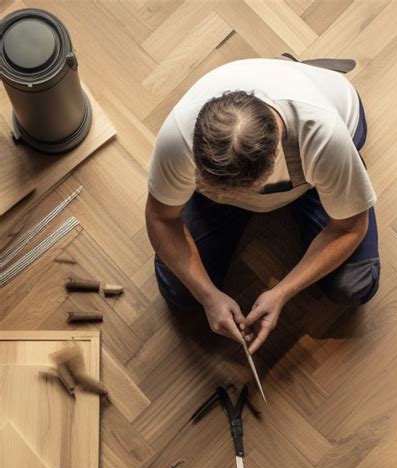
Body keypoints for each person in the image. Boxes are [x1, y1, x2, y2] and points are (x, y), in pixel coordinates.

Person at [145, 57, 380, 354]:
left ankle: (344, 176)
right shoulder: (177, 138)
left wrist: (282, 292)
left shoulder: (324, 137)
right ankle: (338, 184)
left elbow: (350, 227)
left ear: (275, 154)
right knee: (179, 292)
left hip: (322, 148)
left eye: (248, 192)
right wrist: (208, 297)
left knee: (355, 286)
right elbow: (160, 218)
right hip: (252, 171)